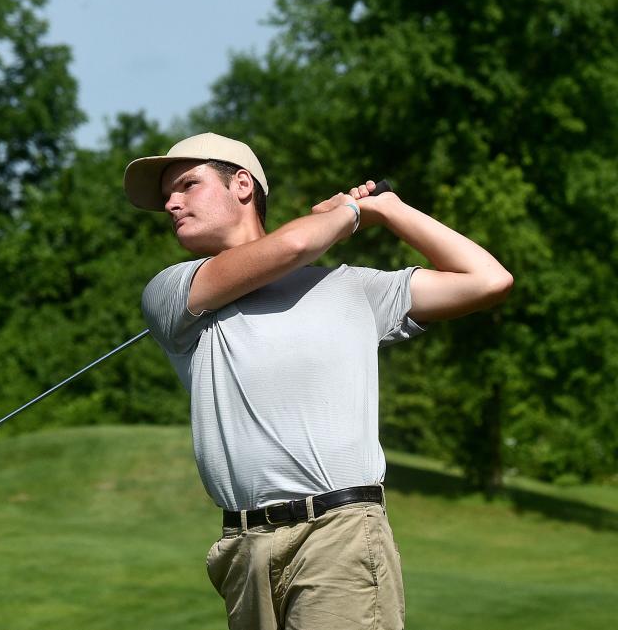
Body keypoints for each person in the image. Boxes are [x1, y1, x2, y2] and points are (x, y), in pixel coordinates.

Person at [123, 132, 513, 630]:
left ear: (242, 185)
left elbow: (488, 280)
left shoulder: (351, 287)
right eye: (166, 197)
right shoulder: (172, 291)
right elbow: (294, 243)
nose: (171, 203)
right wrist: (350, 213)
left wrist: (390, 210)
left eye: (187, 185)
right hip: (243, 551)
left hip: (340, 535)